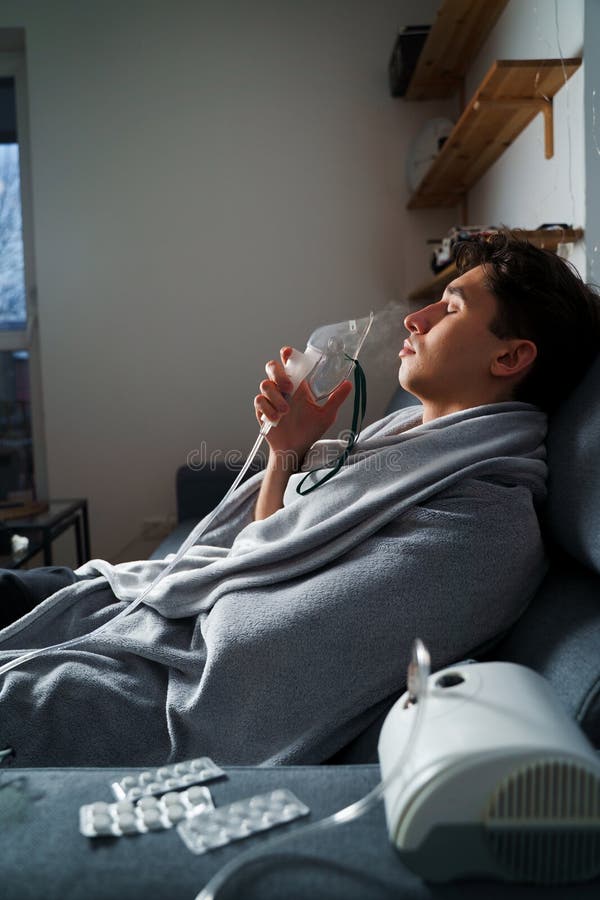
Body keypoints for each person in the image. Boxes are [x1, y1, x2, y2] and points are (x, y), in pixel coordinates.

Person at [0, 230, 598, 768]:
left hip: (164, 675)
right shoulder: (404, 443)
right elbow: (266, 551)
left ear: (511, 356)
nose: (417, 318)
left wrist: (208, 587)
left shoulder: (481, 526)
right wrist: (286, 455)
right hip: (149, 610)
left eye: (451, 307)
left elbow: (255, 643)